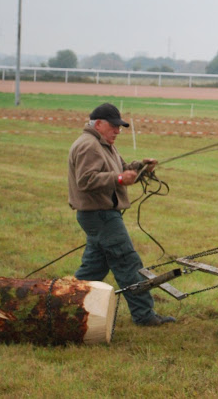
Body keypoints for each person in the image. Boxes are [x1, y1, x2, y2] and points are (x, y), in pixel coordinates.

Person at [68, 103, 176, 327]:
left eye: (120, 127)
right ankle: (144, 316)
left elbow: (120, 168)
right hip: (100, 215)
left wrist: (140, 167)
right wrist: (118, 179)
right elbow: (86, 180)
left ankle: (66, 304)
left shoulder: (103, 143)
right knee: (128, 263)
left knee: (94, 268)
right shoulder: (88, 146)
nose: (118, 130)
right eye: (114, 126)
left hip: (101, 215)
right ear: (98, 124)